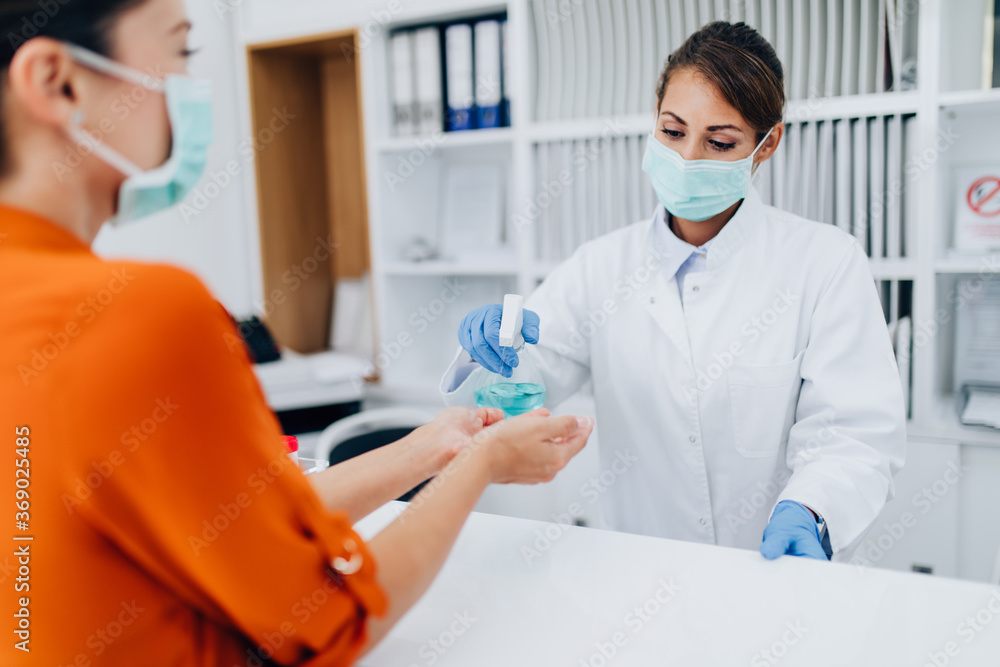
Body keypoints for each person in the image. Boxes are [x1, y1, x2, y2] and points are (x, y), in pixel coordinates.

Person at [0, 1, 594, 665]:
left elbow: (239, 516)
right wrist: (479, 464)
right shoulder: (142, 311)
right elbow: (328, 623)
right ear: (57, 82)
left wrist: (436, 447)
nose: (191, 90)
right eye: (181, 52)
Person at [446, 21, 906, 562]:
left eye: (719, 142)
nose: (688, 158)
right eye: (672, 131)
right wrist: (490, 354)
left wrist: (811, 509)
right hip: (638, 571)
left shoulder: (825, 262)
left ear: (767, 144)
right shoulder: (600, 266)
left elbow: (854, 433)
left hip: (772, 573)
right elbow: (518, 389)